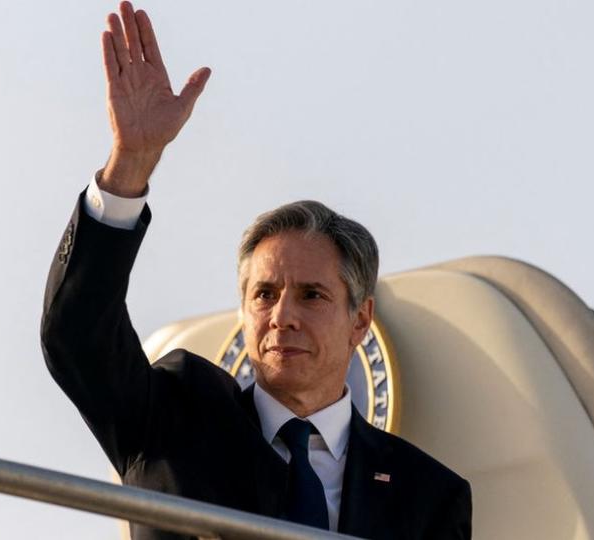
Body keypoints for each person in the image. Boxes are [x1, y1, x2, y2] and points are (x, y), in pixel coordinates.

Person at [40, 3, 472, 538]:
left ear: (360, 321)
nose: (282, 316)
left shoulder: (428, 492)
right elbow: (77, 333)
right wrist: (130, 163)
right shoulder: (172, 420)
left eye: (311, 295)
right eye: (265, 294)